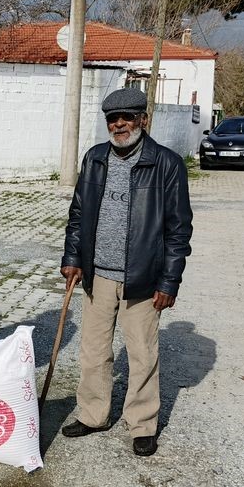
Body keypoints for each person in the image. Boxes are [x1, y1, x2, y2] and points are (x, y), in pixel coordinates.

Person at [59, 88, 194, 457]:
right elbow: (78, 215)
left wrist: (169, 281)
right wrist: (72, 257)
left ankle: (142, 424)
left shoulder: (166, 163)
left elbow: (179, 230)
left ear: (142, 120)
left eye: (127, 118)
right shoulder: (95, 159)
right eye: (113, 119)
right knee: (93, 350)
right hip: (97, 274)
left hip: (143, 278)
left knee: (142, 353)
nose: (119, 125)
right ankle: (92, 413)